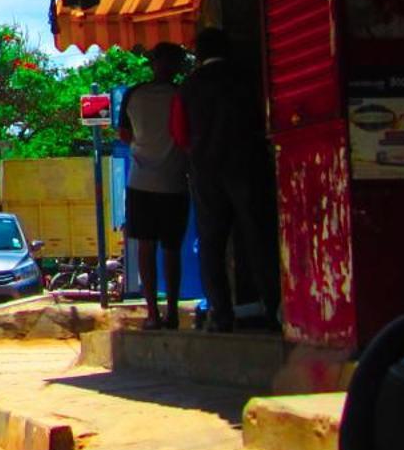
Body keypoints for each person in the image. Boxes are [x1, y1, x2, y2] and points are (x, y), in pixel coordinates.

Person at [176, 27, 281, 331]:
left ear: (199, 54)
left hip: (206, 172)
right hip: (247, 165)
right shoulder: (247, 78)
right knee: (257, 238)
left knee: (211, 243)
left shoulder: (189, 87)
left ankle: (221, 314)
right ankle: (274, 308)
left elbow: (179, 132)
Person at [117, 43, 189, 330]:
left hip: (140, 182)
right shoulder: (181, 95)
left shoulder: (135, 94)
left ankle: (152, 313)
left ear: (152, 64)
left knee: (145, 247)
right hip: (174, 181)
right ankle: (171, 311)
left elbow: (124, 134)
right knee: (172, 249)